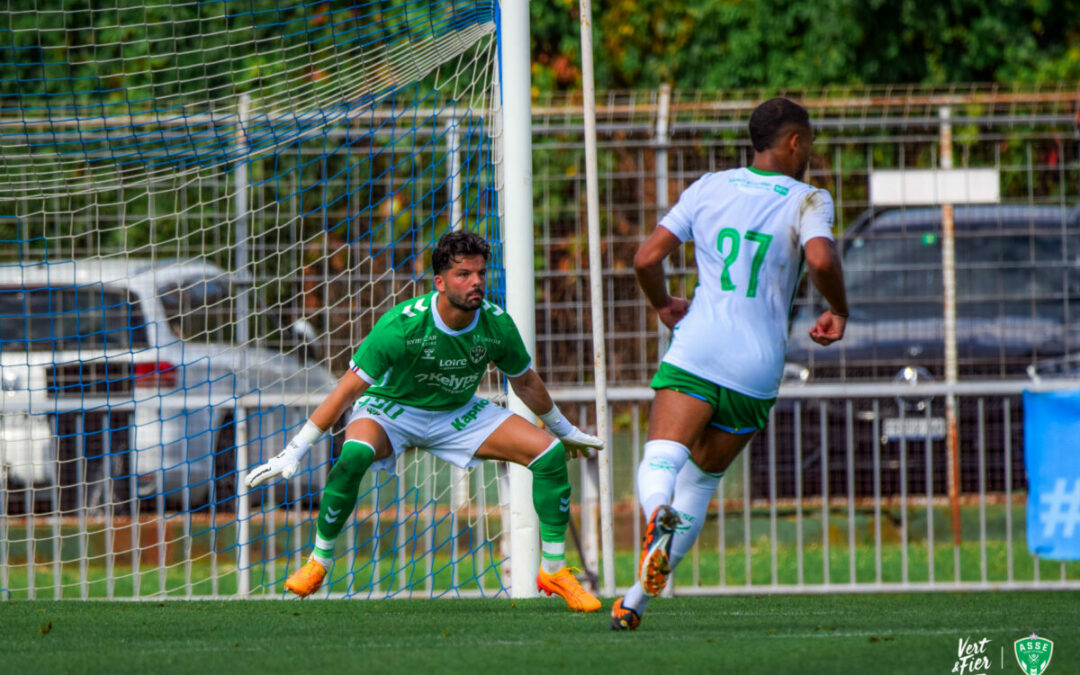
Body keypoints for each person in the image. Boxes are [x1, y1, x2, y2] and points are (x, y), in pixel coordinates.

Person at [247, 230, 604, 612]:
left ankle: (553, 570)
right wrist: (295, 450)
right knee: (353, 456)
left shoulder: (496, 324)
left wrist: (566, 432)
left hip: (456, 412)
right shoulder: (402, 325)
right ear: (440, 282)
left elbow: (526, 382)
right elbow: (346, 391)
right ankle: (318, 562)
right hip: (392, 409)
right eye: (464, 275)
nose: (476, 283)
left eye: (480, 274)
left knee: (548, 455)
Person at [611, 97, 849, 630]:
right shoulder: (810, 199)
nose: (809, 151)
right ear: (793, 142)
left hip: (698, 347)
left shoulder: (708, 187)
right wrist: (839, 307)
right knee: (701, 481)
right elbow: (819, 258)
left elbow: (646, 258)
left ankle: (655, 518)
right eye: (807, 142)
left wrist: (662, 304)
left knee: (665, 457)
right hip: (756, 365)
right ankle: (635, 601)